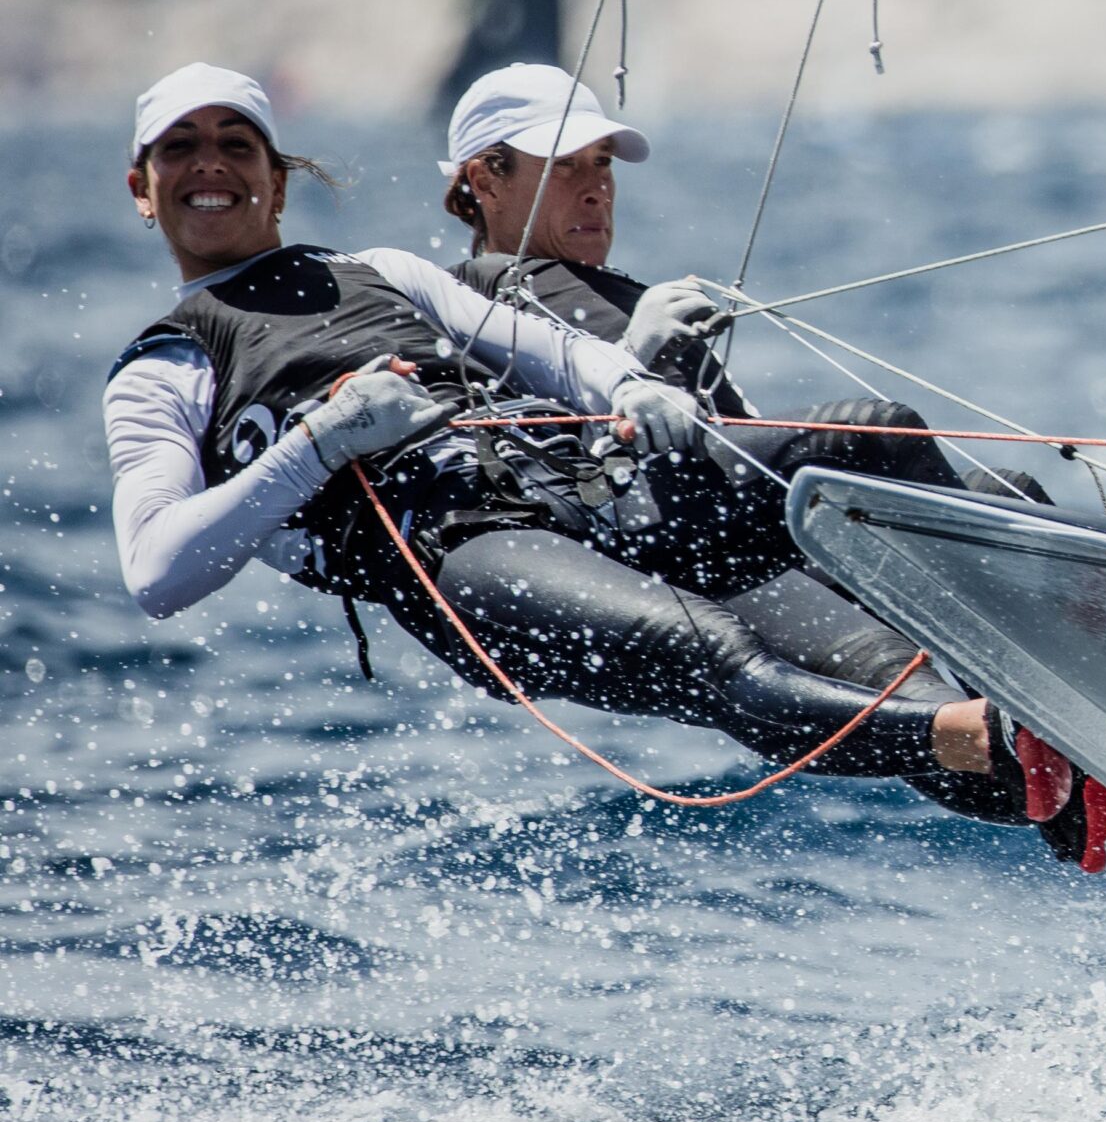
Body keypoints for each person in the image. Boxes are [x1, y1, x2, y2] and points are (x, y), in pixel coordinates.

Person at [103, 62, 1048, 815]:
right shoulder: (166, 367)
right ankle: (984, 738)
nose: (211, 162)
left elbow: (551, 353)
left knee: (869, 443)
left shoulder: (380, 269)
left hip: (573, 498)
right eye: (180, 148)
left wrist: (636, 382)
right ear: (145, 190)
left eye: (237, 142)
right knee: (714, 651)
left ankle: (1085, 728)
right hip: (460, 560)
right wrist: (320, 443)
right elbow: (156, 573)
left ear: (277, 176)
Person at [429, 65, 1106, 869]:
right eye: (564, 167)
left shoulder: (596, 286)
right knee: (879, 435)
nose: (596, 190)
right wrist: (635, 354)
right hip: (668, 538)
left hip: (736, 537)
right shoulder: (492, 292)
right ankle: (1091, 669)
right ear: (485, 179)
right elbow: (557, 453)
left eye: (603, 165)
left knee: (930, 679)